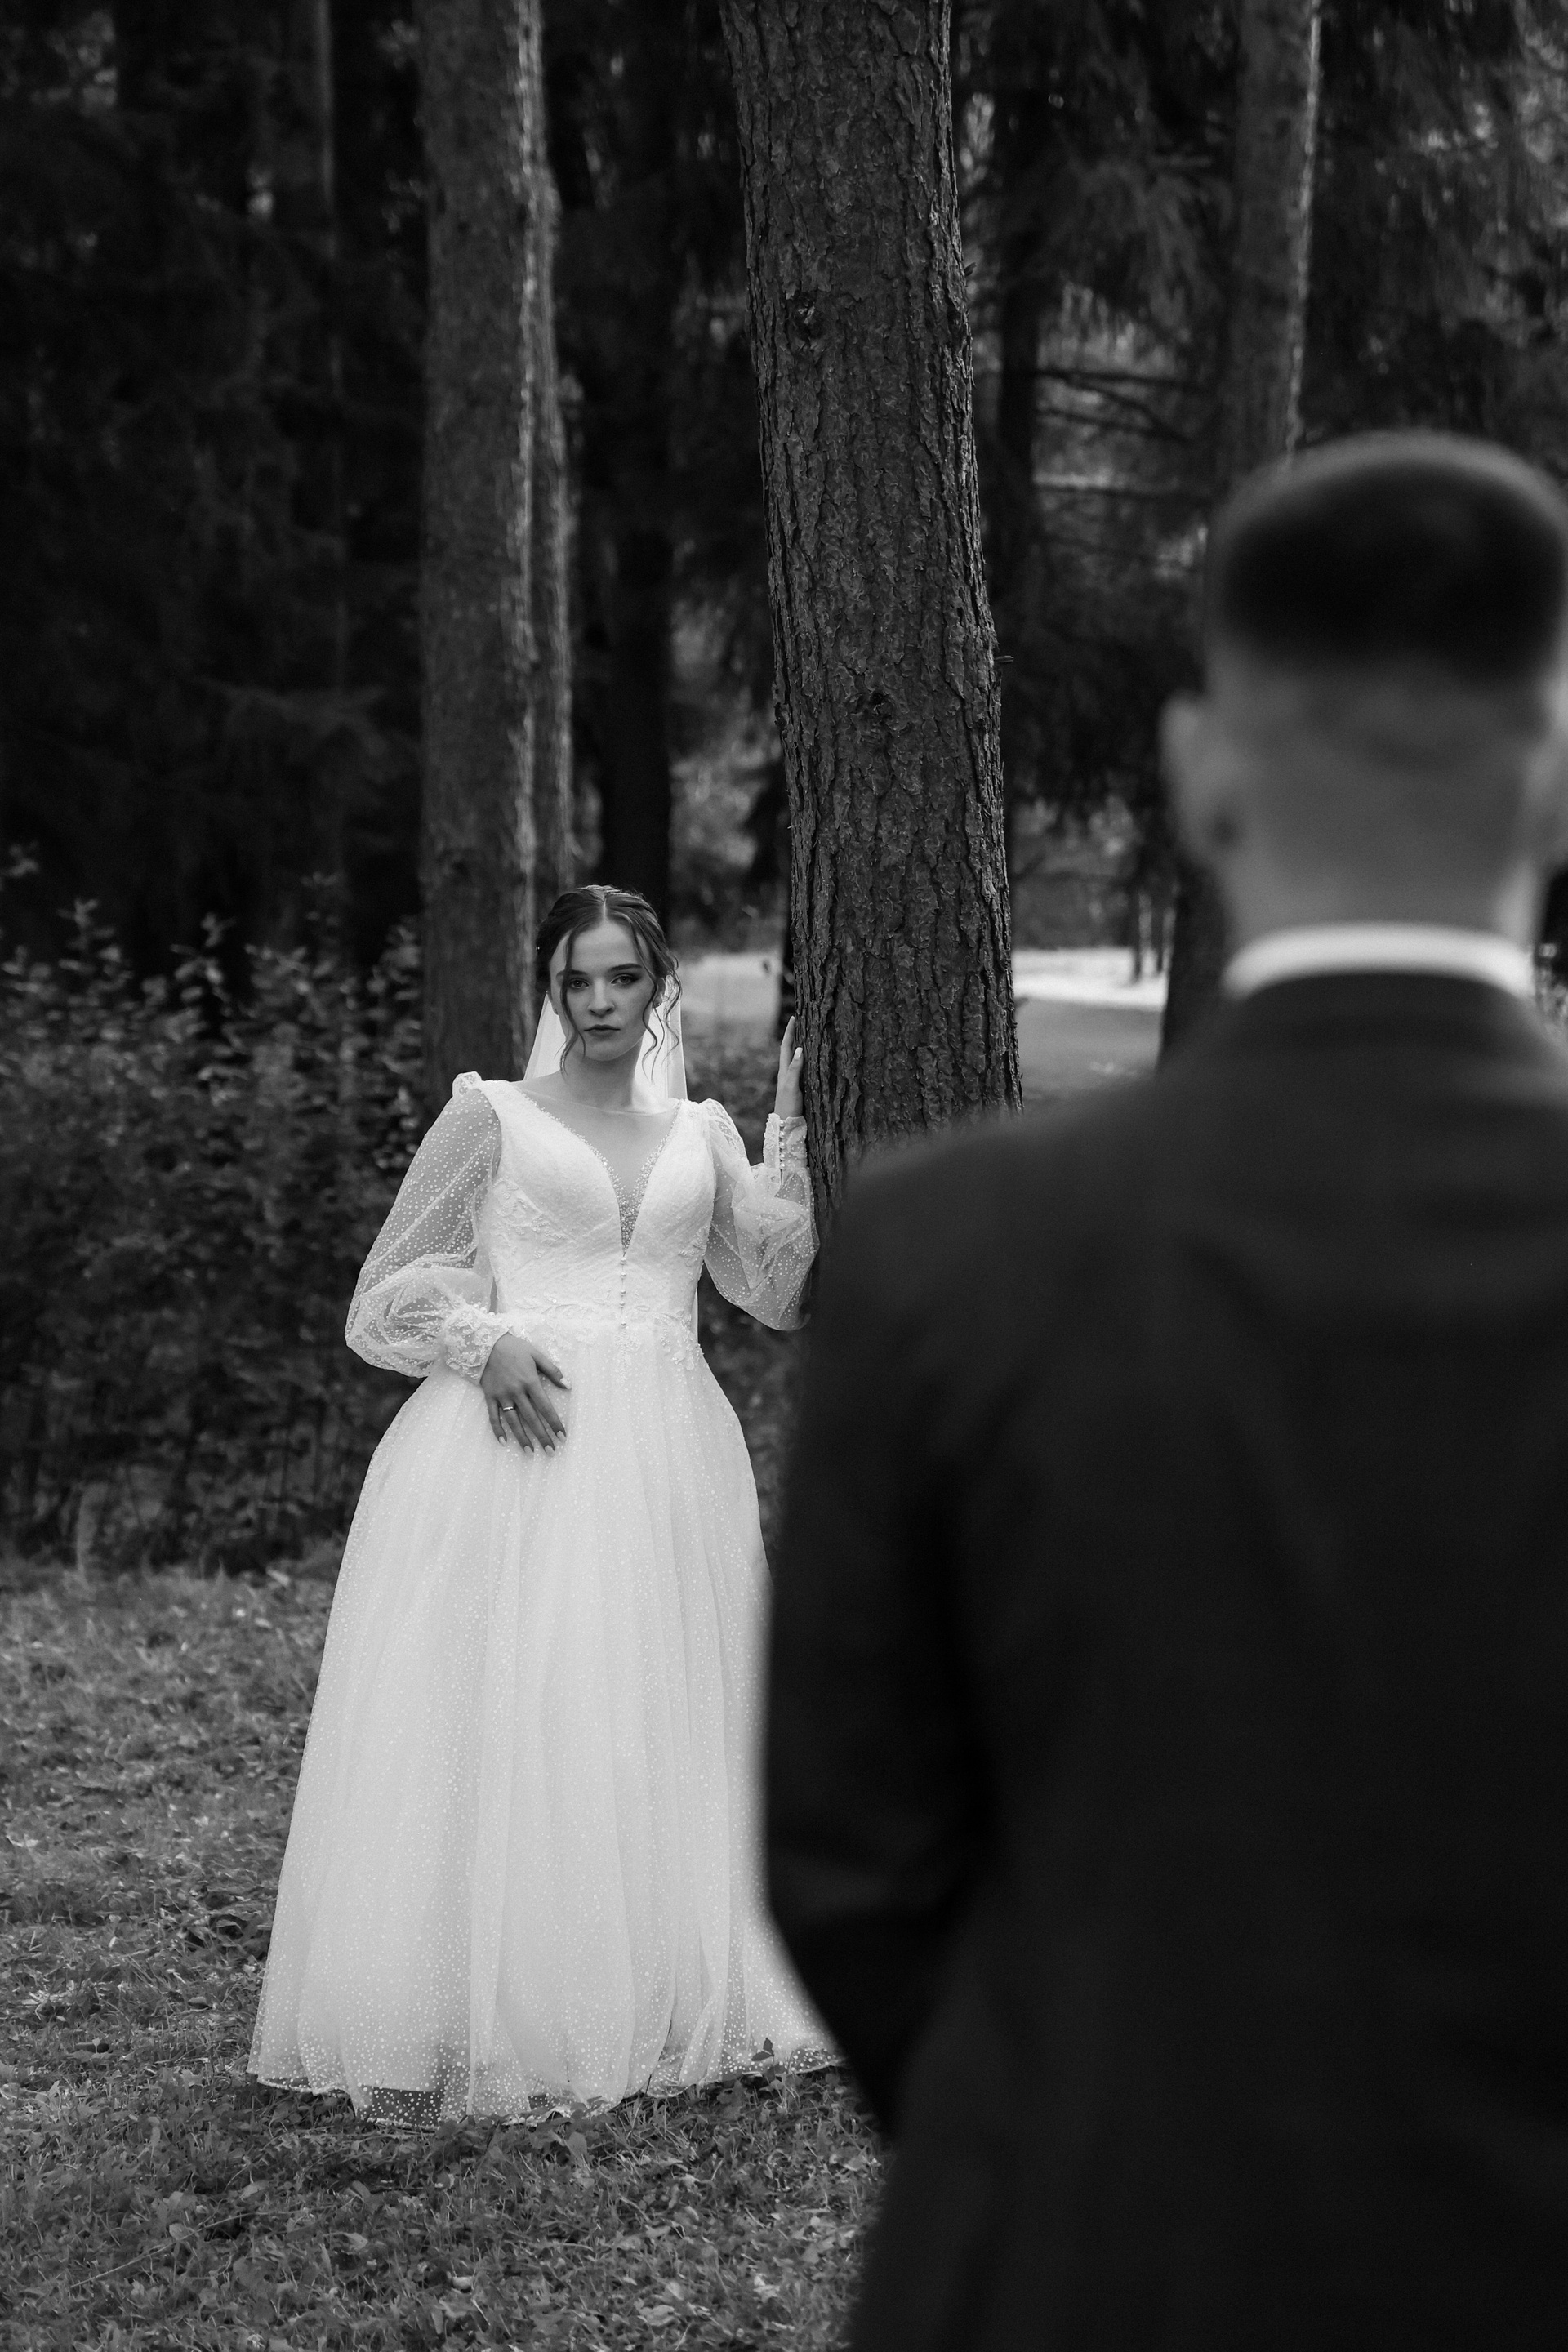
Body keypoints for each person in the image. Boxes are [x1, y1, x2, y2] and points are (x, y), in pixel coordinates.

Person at [768, 434, 1568, 2348]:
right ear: (1554, 776)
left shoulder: (944, 1254)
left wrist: (1070, 2137)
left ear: (1202, 771)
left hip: (1078, 2262)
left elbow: (852, 1869)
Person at [250, 884, 826, 2119]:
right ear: (552, 991)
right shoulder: (492, 1115)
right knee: (530, 1698)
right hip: (519, 1444)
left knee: (653, 1701)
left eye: (624, 977)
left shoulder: (703, 1132)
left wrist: (786, 1125)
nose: (601, 1002)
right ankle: (503, 1996)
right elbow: (382, 1297)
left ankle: (665, 1979)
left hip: (668, 1448)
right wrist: (484, 1341)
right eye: (578, 980)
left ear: (659, 986)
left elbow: (774, 1290)